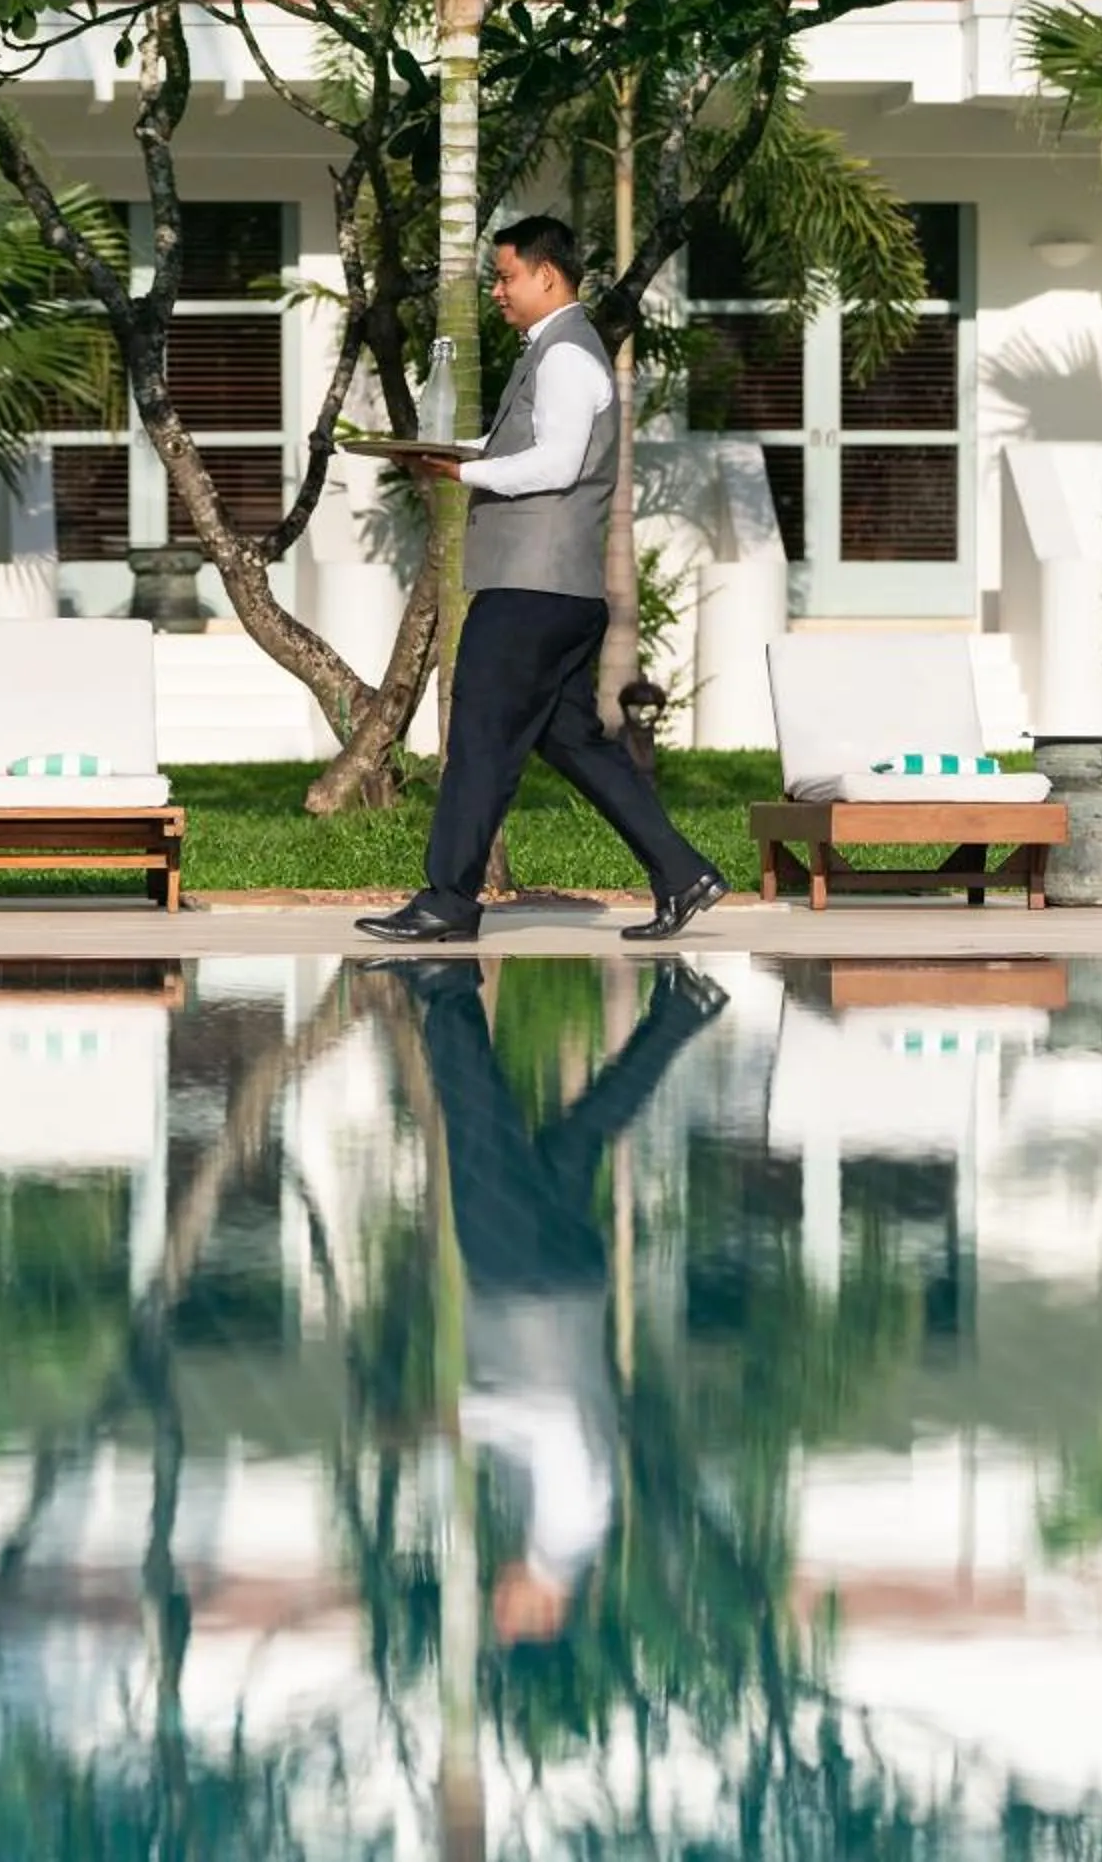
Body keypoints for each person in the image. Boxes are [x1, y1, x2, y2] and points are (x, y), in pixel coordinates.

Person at [359, 215, 727, 946]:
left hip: (531, 593)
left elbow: (557, 465)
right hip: (559, 592)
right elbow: (523, 448)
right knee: (573, 744)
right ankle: (683, 874)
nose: (497, 291)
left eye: (505, 277)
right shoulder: (554, 353)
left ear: (546, 276)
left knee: (480, 738)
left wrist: (462, 472)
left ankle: (448, 901)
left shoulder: (564, 358)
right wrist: (438, 454)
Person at [373, 952, 727, 1641]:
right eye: (511, 1613)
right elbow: (555, 1423)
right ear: (548, 1608)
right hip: (525, 1282)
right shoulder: (566, 1529)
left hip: (564, 1285)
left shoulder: (569, 1531)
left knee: (584, 1132)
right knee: (477, 1130)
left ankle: (685, 1008)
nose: (499, 1598)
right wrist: (457, 1419)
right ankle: (446, 984)